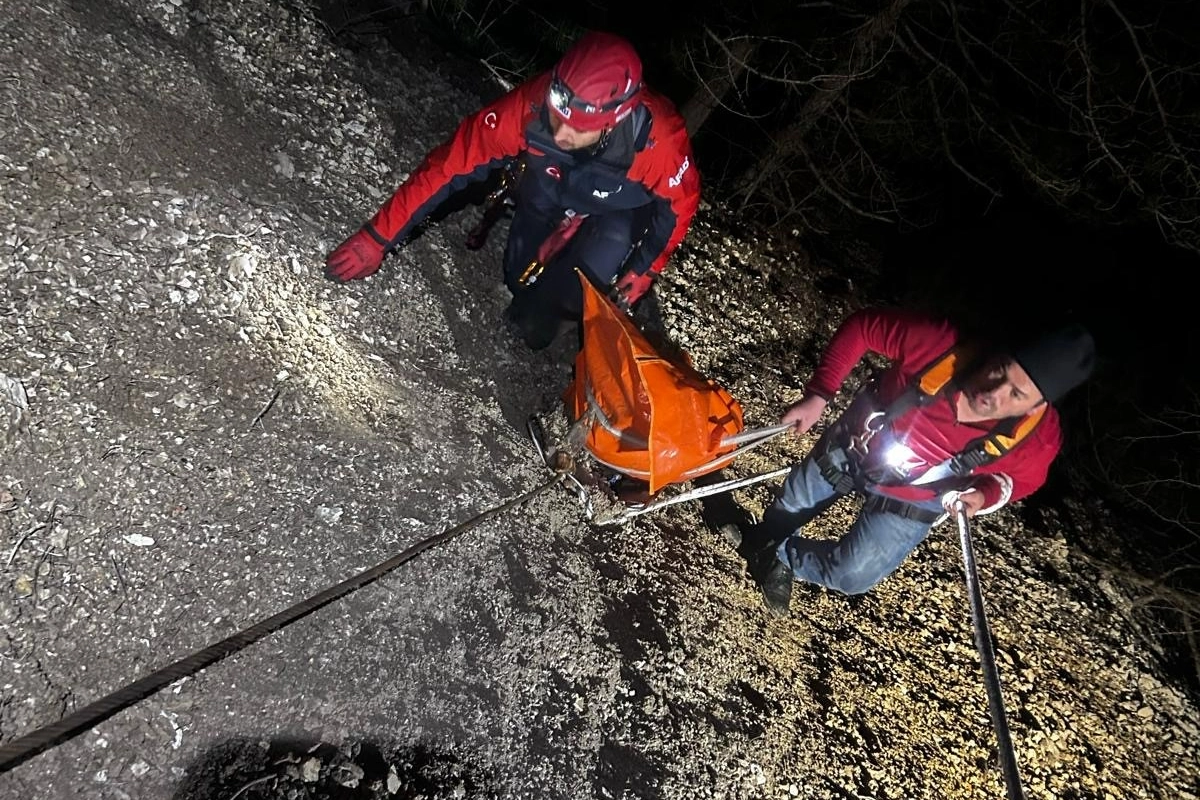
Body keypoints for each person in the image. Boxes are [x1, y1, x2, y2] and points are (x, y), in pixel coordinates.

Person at [324, 30, 701, 350]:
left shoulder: (661, 145)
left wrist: (647, 267)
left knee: (538, 327)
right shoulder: (529, 107)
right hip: (551, 185)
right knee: (516, 276)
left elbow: (680, 206)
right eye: (558, 117)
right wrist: (377, 237)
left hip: (616, 209)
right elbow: (450, 165)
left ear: (612, 122)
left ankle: (562, 292)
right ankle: (549, 240)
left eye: (579, 128)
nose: (561, 133)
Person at [737, 307, 1096, 617]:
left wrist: (981, 497)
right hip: (855, 445)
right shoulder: (941, 345)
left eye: (1016, 394)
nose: (993, 392)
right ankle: (768, 542)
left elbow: (1022, 482)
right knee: (792, 504)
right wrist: (819, 394)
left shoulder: (1037, 439)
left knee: (852, 575)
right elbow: (864, 327)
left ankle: (779, 557)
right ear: (995, 352)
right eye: (1000, 369)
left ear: (1038, 406)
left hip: (916, 493)